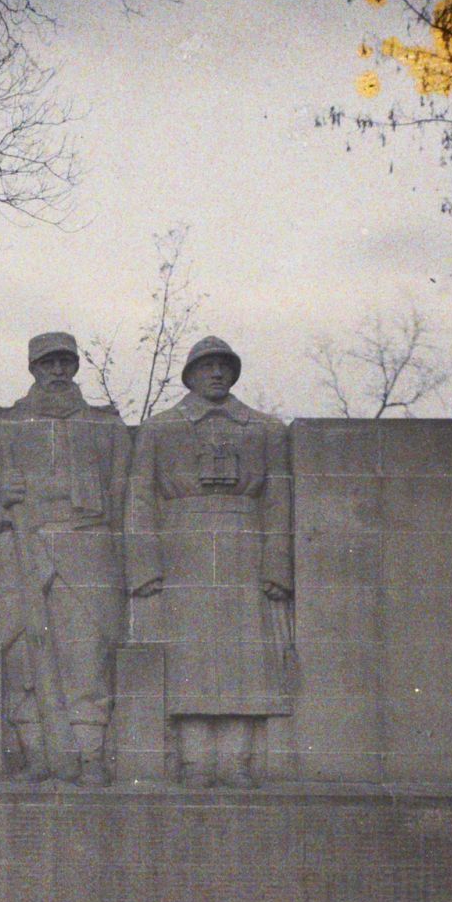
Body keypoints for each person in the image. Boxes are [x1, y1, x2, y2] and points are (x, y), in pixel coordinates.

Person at [124, 336, 298, 787]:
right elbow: (140, 498)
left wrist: (277, 564)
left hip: (245, 545)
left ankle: (237, 760)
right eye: (207, 366)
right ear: (190, 375)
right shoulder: (160, 429)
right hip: (182, 548)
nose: (217, 374)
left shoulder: (265, 429)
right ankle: (195, 759)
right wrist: (144, 565)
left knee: (246, 656)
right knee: (190, 655)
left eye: (224, 366)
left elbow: (279, 499)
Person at [0, 331, 129, 785]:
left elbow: (121, 494)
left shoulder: (106, 425)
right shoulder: (2, 424)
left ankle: (89, 752)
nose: (58, 371)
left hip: (87, 543)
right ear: (33, 368)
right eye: (48, 363)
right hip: (24, 543)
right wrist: (2, 497)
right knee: (24, 656)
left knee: (87, 654)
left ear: (76, 366)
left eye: (65, 362)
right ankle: (37, 752)